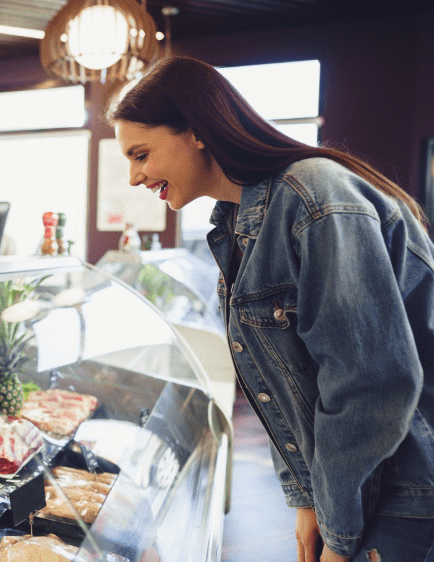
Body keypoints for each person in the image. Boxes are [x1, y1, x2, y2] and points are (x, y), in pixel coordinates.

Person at [109, 56, 434, 561]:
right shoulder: (235, 221)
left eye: (141, 154)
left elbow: (369, 386)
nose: (134, 176)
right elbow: (289, 386)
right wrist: (310, 499)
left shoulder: (312, 196)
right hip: (361, 496)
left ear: (194, 131)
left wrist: (341, 535)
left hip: (404, 498)